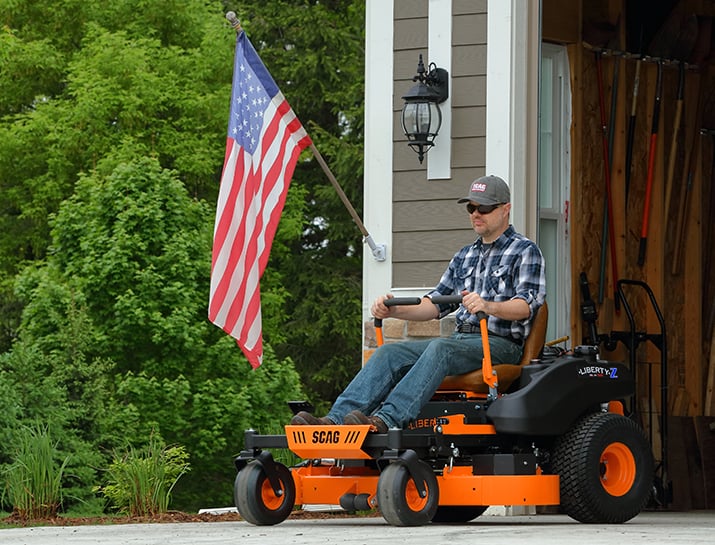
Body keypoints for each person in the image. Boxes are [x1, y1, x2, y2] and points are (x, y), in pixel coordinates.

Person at [291, 175, 546, 432]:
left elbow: (527, 306)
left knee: (439, 348)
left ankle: (387, 420)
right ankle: (335, 421)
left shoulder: (525, 251)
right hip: (461, 341)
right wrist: (394, 310)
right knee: (389, 352)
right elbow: (434, 305)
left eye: (484, 208)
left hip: (500, 344)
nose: (476, 214)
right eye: (471, 208)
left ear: (506, 209)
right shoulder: (464, 255)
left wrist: (488, 306)